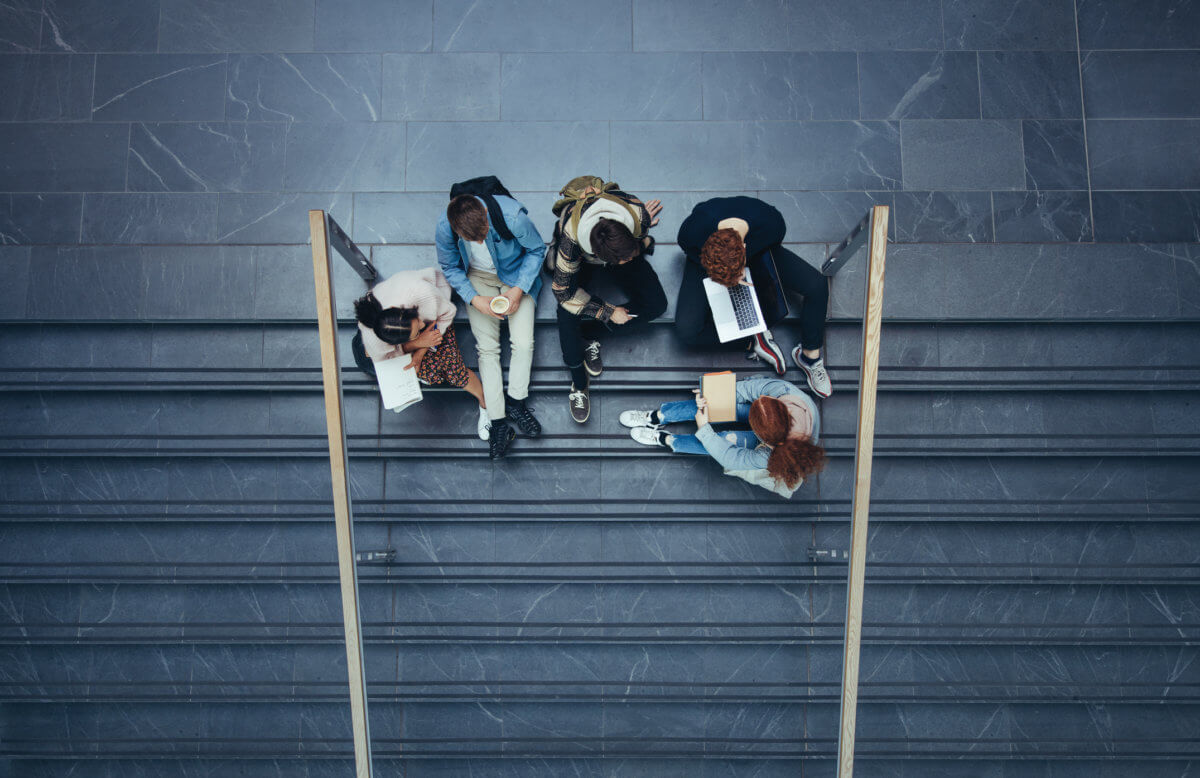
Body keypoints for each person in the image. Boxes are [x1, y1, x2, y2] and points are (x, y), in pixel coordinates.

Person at [675, 196, 832, 398]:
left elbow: (773, 245)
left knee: (817, 285)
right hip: (709, 263)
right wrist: (719, 274)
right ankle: (753, 339)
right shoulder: (692, 232)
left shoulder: (771, 224)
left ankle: (809, 356)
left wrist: (747, 271)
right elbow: (690, 250)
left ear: (744, 248)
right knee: (687, 332)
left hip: (758, 253)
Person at [436, 191, 545, 459]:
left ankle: (517, 403)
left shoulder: (512, 217)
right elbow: (450, 267)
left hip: (516, 274)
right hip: (477, 279)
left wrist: (519, 289)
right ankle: (498, 423)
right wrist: (474, 300)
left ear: (485, 215)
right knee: (487, 348)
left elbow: (537, 249)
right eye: (473, 239)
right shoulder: (445, 228)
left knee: (523, 342)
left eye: (485, 233)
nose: (482, 241)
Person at [550, 175, 668, 423]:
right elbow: (563, 292)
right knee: (565, 313)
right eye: (621, 262)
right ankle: (579, 383)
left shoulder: (634, 214)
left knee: (657, 304)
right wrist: (608, 310)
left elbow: (637, 230)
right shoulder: (571, 243)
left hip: (618, 246)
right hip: (584, 258)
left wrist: (640, 229)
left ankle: (592, 333)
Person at [619, 376, 825, 498]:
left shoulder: (771, 456)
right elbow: (750, 389)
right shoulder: (786, 393)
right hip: (772, 427)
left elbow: (730, 457)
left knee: (723, 441)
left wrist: (704, 429)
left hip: (776, 444)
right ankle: (657, 416)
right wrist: (714, 394)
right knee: (715, 404)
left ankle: (667, 439)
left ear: (766, 442)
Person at [353, 267, 491, 442]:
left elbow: (446, 314)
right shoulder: (373, 339)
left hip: (436, 313)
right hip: (407, 337)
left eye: (417, 323)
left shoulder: (422, 294)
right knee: (429, 372)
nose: (420, 325)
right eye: (416, 331)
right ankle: (428, 365)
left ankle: (484, 402)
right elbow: (387, 359)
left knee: (452, 371)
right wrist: (417, 343)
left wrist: (420, 348)